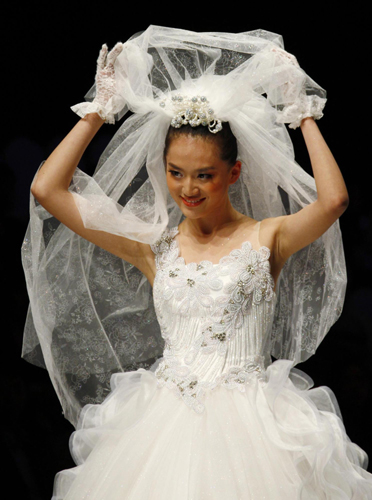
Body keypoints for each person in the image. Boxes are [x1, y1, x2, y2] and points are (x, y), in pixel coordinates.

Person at [22, 26, 372, 498]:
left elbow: (333, 202)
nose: (188, 189)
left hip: (254, 432)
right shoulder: (153, 246)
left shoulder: (268, 237)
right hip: (159, 430)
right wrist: (97, 112)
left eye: (204, 175)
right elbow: (47, 190)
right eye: (176, 173)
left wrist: (302, 113)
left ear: (234, 172)